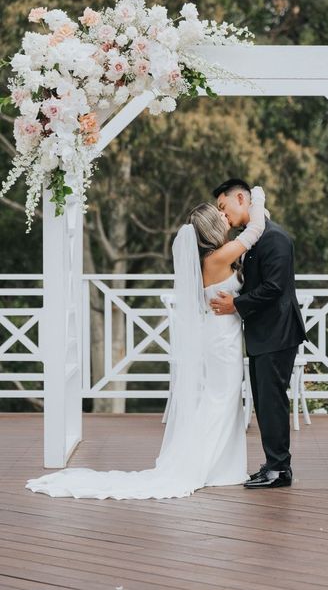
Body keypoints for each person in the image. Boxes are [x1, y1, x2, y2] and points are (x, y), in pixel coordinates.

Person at [24, 186, 267, 500]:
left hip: (221, 334)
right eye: (219, 214)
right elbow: (257, 228)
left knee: (223, 399)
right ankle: (202, 465)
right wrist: (257, 196)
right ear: (211, 228)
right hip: (222, 339)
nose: (225, 216)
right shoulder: (218, 258)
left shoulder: (212, 258)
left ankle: (222, 466)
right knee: (221, 399)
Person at [210, 178, 308, 489]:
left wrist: (236, 304)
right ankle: (273, 464)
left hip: (278, 333)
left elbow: (274, 287)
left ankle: (279, 469)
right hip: (263, 334)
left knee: (271, 401)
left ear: (241, 198)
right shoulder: (253, 239)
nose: (223, 216)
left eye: (224, 208)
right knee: (265, 401)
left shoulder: (275, 238)